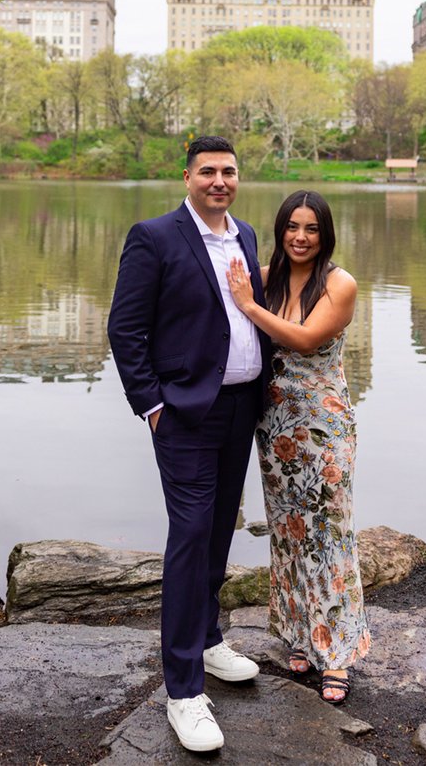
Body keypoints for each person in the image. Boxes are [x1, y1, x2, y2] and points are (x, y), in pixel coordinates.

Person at [107, 136, 278, 752]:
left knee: (219, 530)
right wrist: (151, 405)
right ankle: (183, 692)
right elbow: (124, 328)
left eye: (229, 171)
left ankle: (207, 640)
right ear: (187, 177)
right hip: (183, 413)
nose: (219, 180)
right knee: (189, 534)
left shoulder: (248, 235)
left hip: (241, 408)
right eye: (207, 171)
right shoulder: (153, 237)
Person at [226, 189, 367, 704]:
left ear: (324, 234)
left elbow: (305, 340)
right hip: (276, 426)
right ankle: (300, 635)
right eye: (292, 227)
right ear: (281, 229)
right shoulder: (268, 279)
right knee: (288, 533)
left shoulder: (339, 284)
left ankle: (339, 655)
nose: (300, 237)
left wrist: (247, 306)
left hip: (323, 430)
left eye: (311, 229)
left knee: (328, 535)